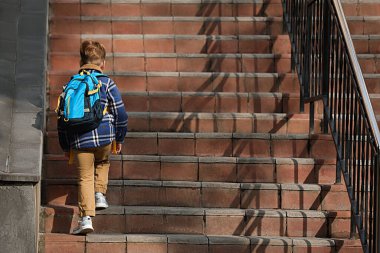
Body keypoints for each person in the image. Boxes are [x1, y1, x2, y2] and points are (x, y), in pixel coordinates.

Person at [58, 40, 128, 235]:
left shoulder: (70, 85)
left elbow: (62, 121)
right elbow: (121, 114)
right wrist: (119, 138)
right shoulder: (107, 82)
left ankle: (86, 219)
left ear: (81, 61)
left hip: (79, 140)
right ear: (102, 64)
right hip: (105, 136)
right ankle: (99, 194)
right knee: (103, 161)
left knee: (84, 177)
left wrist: (65, 146)